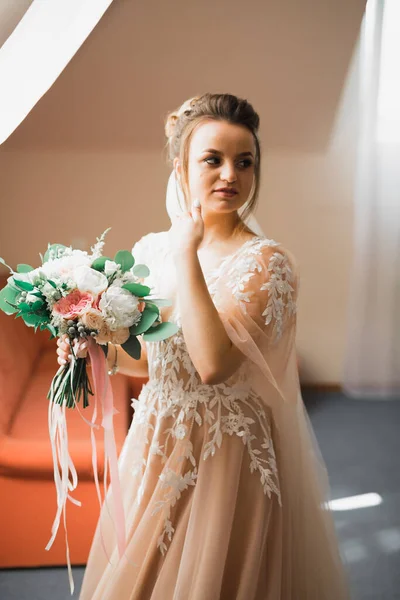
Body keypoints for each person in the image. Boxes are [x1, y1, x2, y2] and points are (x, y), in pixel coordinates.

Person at [57, 93, 350, 599]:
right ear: (181, 168)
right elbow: (153, 360)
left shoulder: (267, 264)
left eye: (244, 162)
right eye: (212, 160)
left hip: (225, 459)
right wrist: (95, 350)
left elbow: (211, 364)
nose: (229, 175)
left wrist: (186, 253)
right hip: (156, 442)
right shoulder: (151, 250)